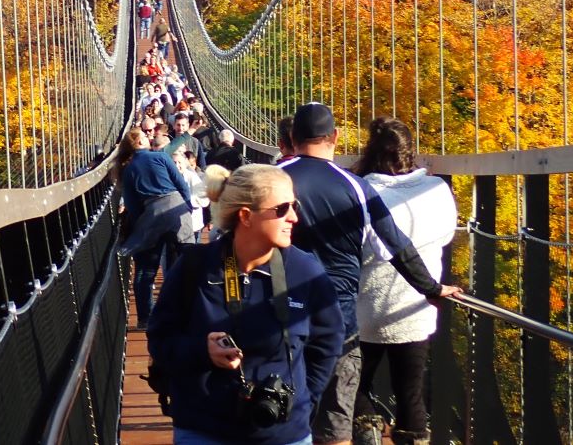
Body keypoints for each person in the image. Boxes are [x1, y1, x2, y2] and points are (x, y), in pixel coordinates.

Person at [280, 103, 461, 445]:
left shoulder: (271, 179)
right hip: (339, 321)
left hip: (279, 315)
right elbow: (395, 246)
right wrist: (432, 288)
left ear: (291, 137)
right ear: (334, 137)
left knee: (278, 411)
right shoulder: (356, 187)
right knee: (337, 421)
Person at [147, 164, 344, 445]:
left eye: (294, 206)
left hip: (281, 432)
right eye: (281, 209)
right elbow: (160, 339)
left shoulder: (306, 272)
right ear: (245, 216)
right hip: (204, 428)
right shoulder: (194, 267)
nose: (294, 217)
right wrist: (202, 351)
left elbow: (328, 342)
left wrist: (301, 399)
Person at [350, 118, 457, 445]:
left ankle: (368, 429)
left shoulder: (361, 189)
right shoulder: (438, 189)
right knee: (411, 394)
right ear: (411, 151)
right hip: (415, 308)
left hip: (366, 308)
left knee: (354, 383)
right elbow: (446, 236)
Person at [119, 128, 194, 330]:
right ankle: (187, 312)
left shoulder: (128, 169)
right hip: (177, 209)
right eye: (144, 136)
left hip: (151, 215)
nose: (148, 137)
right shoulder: (160, 157)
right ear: (141, 142)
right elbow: (181, 184)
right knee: (188, 263)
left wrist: (140, 226)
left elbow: (133, 205)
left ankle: (145, 318)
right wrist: (187, 207)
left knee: (145, 270)